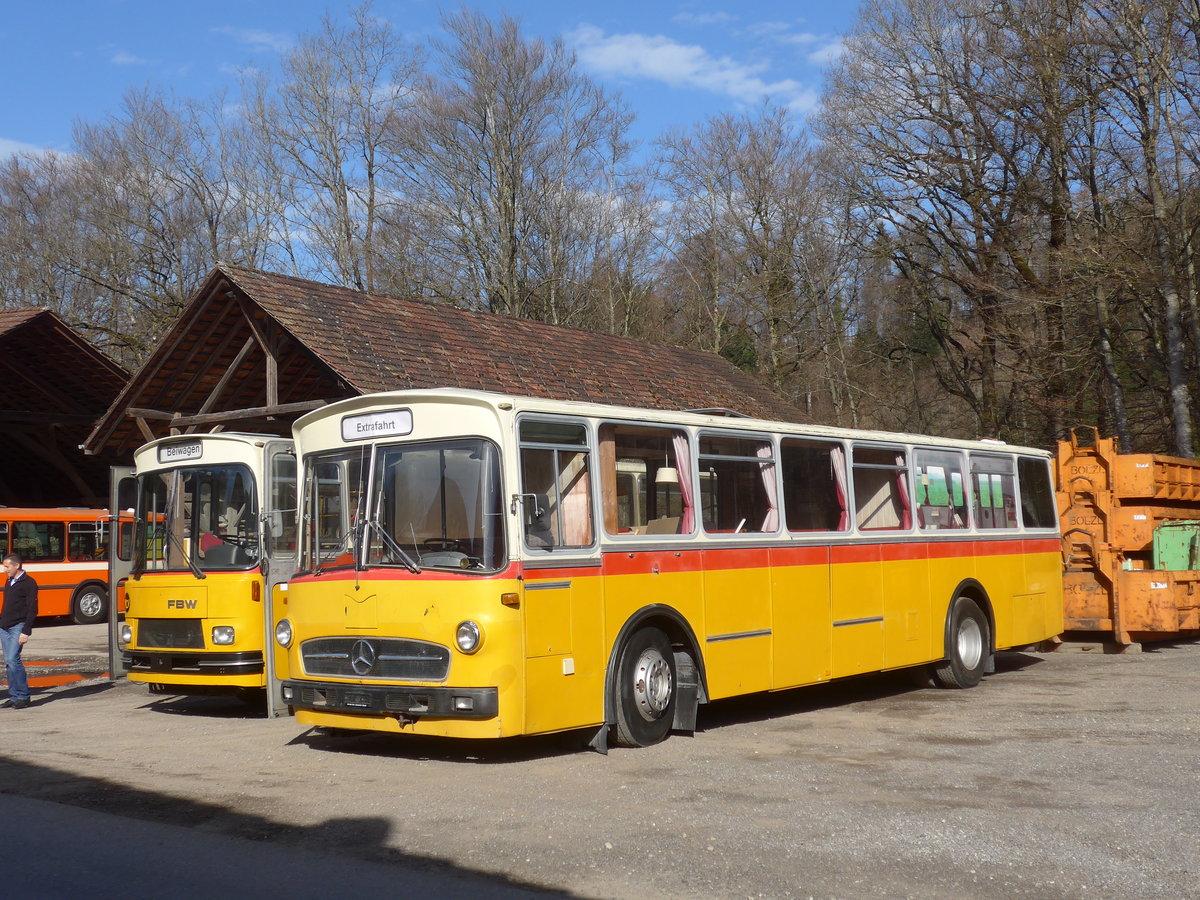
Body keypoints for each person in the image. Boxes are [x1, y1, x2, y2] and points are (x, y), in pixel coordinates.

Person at [1, 552, 37, 709]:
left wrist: (26, 631)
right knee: (9, 662)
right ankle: (14, 696)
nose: (4, 570)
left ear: (17, 566)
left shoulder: (29, 583)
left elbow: (32, 608)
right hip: (4, 627)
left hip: (18, 627)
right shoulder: (9, 581)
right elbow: (7, 605)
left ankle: (23, 696)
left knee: (13, 659)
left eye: (7, 567)